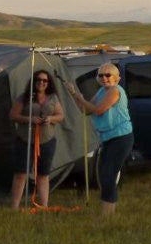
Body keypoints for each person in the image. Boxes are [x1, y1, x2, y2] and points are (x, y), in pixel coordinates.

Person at [66, 62, 133, 216]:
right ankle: (107, 212)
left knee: (108, 174)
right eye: (101, 75)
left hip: (120, 137)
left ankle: (107, 214)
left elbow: (98, 110)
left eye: (108, 75)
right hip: (108, 138)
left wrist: (79, 97)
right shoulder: (103, 90)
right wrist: (74, 94)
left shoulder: (114, 91)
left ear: (117, 78)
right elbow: (86, 110)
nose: (104, 78)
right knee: (104, 174)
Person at [8, 69, 64, 209]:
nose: (41, 83)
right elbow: (13, 115)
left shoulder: (53, 98)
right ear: (34, 82)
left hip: (47, 141)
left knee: (43, 174)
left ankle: (44, 206)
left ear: (48, 83)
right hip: (25, 141)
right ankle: (14, 206)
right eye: (39, 80)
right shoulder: (24, 97)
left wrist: (50, 118)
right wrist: (29, 119)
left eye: (45, 80)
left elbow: (61, 115)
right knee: (21, 173)